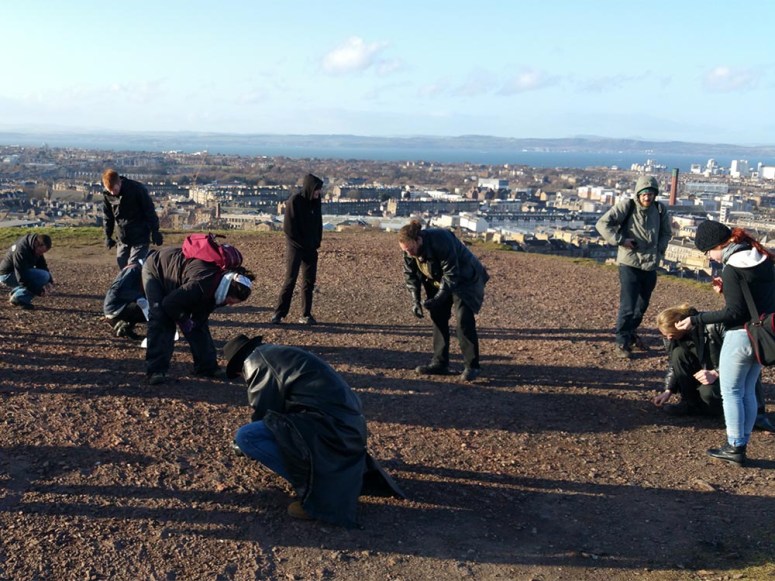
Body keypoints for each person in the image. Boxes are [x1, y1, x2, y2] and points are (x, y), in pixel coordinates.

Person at [225, 334, 405, 527]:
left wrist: (242, 448)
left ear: (238, 369)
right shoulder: (276, 352)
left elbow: (264, 412)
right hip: (348, 425)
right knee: (269, 432)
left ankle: (318, 491)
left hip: (330, 427)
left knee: (247, 437)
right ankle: (327, 476)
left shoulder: (255, 363)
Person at [675, 221, 775, 466]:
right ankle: (742, 440)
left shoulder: (732, 269)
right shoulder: (763, 258)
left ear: (719, 245)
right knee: (748, 391)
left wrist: (695, 319)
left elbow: (734, 313)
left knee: (731, 392)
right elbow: (755, 298)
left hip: (740, 336)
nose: (710, 258)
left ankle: (735, 446)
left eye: (708, 252)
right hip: (762, 335)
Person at [142, 246, 255, 385]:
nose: (230, 305)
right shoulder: (199, 285)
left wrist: (193, 321)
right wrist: (183, 318)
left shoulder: (220, 287)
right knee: (161, 319)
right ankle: (156, 370)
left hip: (182, 279)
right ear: (226, 292)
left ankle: (207, 367)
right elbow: (169, 304)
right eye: (230, 301)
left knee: (199, 324)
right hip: (156, 269)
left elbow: (200, 316)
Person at [653, 304, 774, 431]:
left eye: (671, 334)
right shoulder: (673, 337)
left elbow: (741, 357)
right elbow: (674, 363)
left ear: (681, 325)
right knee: (678, 354)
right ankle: (690, 403)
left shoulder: (715, 325)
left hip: (724, 374)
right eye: (665, 335)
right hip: (705, 375)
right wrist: (669, 389)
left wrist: (716, 372)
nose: (668, 338)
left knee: (708, 394)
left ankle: (727, 411)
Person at [398, 220, 490, 381]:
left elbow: (452, 273)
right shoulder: (409, 251)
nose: (409, 254)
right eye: (406, 251)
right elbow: (410, 276)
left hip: (465, 279)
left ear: (418, 240)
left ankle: (472, 366)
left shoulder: (441, 239)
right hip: (438, 279)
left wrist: (439, 297)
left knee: (463, 320)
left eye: (411, 249)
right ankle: (440, 363)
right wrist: (416, 301)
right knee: (438, 317)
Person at [596, 175, 672, 359]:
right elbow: (602, 223)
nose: (647, 197)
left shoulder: (660, 210)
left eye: (651, 194)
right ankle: (622, 341)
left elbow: (666, 233)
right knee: (628, 305)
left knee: (642, 305)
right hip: (630, 262)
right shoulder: (627, 206)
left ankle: (631, 333)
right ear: (639, 194)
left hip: (650, 264)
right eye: (644, 194)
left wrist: (659, 250)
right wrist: (621, 240)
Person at [270, 173, 323, 325]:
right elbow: (288, 229)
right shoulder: (295, 201)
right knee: (290, 279)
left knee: (309, 282)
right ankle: (279, 313)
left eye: (319, 190)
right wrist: (300, 244)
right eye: (316, 190)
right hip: (295, 247)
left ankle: (306, 314)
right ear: (309, 188)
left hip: (311, 248)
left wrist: (316, 241)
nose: (318, 193)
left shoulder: (316, 202)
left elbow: (318, 223)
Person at [102, 168, 164, 269]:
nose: (113, 193)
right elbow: (108, 217)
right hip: (122, 237)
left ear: (119, 183)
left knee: (134, 266)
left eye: (115, 190)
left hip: (140, 235)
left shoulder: (137, 189)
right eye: (110, 191)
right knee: (122, 262)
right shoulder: (107, 195)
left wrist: (155, 230)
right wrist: (108, 236)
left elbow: (149, 210)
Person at [0, 233, 54, 310]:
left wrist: (49, 281)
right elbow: (21, 277)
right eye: (40, 251)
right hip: (7, 275)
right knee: (43, 276)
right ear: (36, 244)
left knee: (46, 276)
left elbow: (42, 265)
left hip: (16, 273)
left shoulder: (33, 246)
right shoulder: (21, 250)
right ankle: (19, 299)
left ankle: (17, 293)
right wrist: (37, 290)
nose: (41, 254)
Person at [103, 261, 149, 340]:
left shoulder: (137, 270)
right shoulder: (134, 270)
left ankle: (124, 327)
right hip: (115, 307)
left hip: (118, 305)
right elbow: (119, 289)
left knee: (148, 306)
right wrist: (139, 297)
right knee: (151, 309)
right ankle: (121, 323)